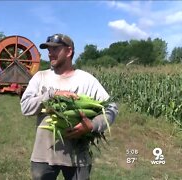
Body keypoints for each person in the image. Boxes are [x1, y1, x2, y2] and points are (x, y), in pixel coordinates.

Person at [20, 33, 118, 180]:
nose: (50, 53)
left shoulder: (86, 80)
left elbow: (111, 107)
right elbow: (25, 107)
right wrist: (51, 94)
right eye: (48, 49)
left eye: (55, 49)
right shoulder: (40, 77)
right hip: (44, 154)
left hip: (77, 156)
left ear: (69, 51)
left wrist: (92, 125)